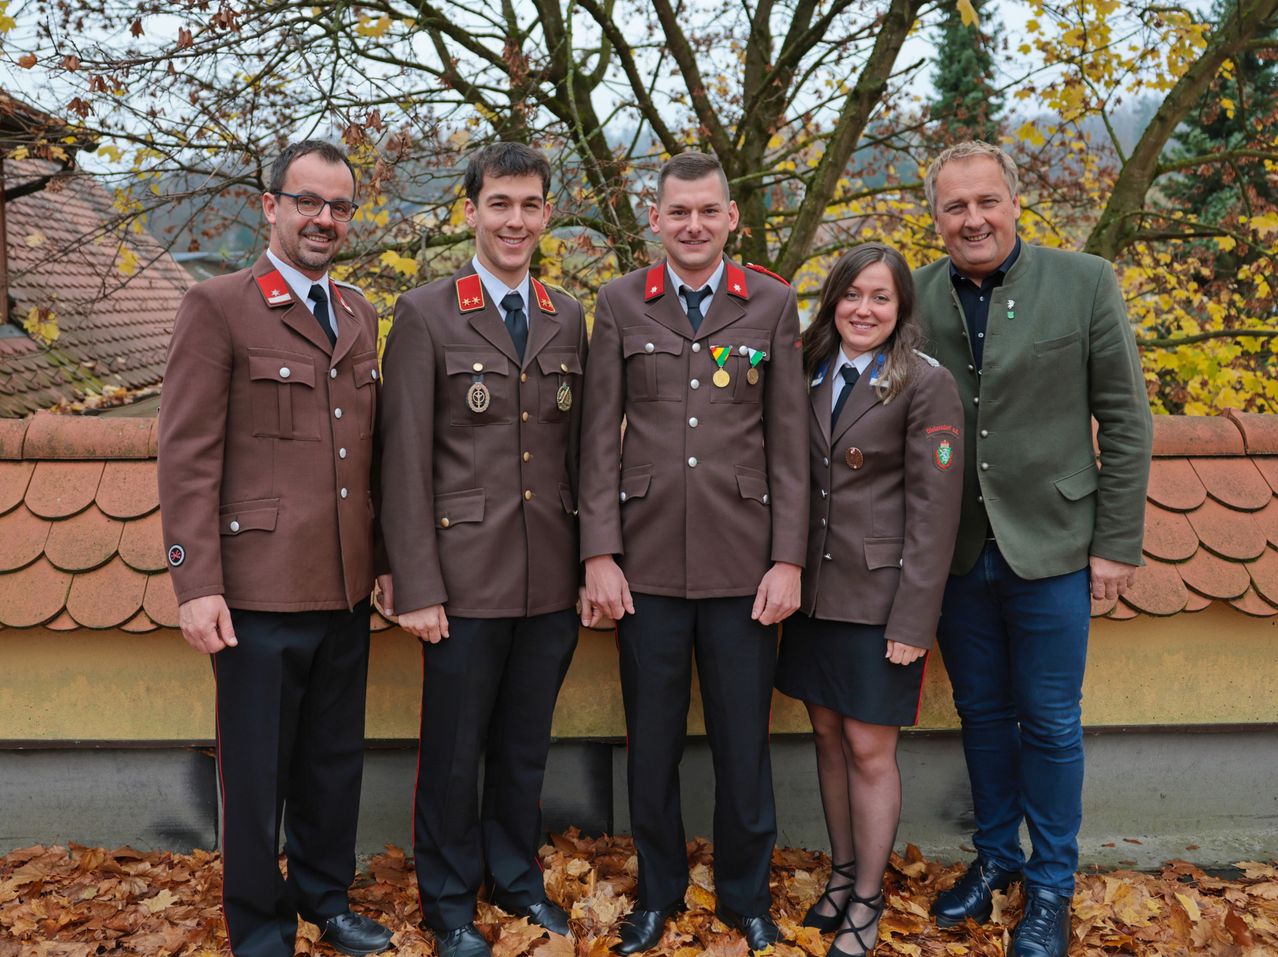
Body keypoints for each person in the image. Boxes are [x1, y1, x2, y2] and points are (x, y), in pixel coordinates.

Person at [914, 141, 1153, 957]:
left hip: (1054, 545)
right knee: (980, 714)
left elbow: (1126, 419)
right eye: (955, 206)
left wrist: (1116, 543)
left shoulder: (1083, 282)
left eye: (986, 201)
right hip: (956, 551)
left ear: (1015, 202)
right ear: (936, 217)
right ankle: (995, 861)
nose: (972, 218)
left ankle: (1051, 885)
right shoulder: (914, 299)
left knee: (1050, 721)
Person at [157, 140, 393, 957]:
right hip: (253, 590)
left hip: (343, 585)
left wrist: (386, 561)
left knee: (334, 764)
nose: (324, 219)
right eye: (307, 201)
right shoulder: (218, 306)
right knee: (255, 777)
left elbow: (371, 452)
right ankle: (260, 927)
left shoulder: (360, 312)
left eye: (339, 206)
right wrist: (195, 584)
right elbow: (187, 455)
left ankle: (328, 900)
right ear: (271, 205)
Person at [578, 151, 809, 956]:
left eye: (708, 211)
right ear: (656, 218)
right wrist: (599, 551)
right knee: (652, 745)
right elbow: (596, 441)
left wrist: (789, 559)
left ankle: (745, 897)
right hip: (644, 566)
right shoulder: (617, 303)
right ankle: (659, 891)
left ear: (731, 218)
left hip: (746, 565)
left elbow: (789, 443)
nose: (694, 225)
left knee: (745, 746)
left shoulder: (773, 302)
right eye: (679, 212)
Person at [377, 142, 587, 957]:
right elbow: (403, 460)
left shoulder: (566, 314)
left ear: (546, 214)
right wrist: (417, 580)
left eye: (531, 204)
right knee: (455, 751)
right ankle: (448, 897)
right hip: (459, 578)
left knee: (524, 745)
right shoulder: (427, 312)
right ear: (470, 211)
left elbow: (576, 451)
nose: (515, 219)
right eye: (500, 203)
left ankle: (516, 879)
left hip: (547, 574)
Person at [775, 243, 964, 957]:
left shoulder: (924, 382)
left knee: (867, 747)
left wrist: (915, 618)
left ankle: (867, 898)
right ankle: (842, 870)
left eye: (880, 297)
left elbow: (935, 511)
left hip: (883, 599)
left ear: (901, 308)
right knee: (826, 736)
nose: (864, 308)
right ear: (833, 300)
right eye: (852, 294)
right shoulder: (809, 367)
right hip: (817, 595)